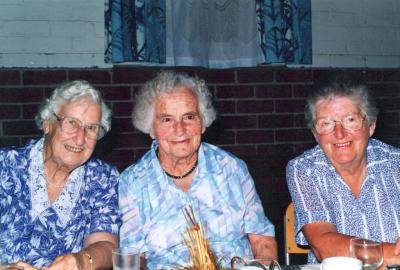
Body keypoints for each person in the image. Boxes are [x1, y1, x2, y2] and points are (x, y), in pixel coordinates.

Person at [119, 71, 277, 269]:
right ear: (150, 129)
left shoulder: (231, 169)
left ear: (203, 123)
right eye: (167, 119)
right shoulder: (133, 182)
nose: (180, 129)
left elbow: (262, 240)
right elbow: (131, 259)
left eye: (189, 117)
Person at [0, 80, 121, 269]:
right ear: (48, 123)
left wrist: (81, 261)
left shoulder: (102, 177)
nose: (80, 138)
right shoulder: (6, 166)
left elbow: (107, 245)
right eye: (71, 122)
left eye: (91, 128)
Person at [286, 74, 400, 267]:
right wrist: (392, 255)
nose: (339, 134)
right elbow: (324, 246)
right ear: (315, 133)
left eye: (350, 120)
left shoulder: (396, 163)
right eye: (326, 123)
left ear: (371, 125)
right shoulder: (304, 170)